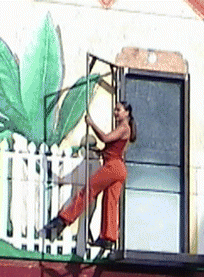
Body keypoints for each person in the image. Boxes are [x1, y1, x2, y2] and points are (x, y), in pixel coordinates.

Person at [41, 101, 137, 250]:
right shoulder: (124, 129)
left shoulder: (124, 128)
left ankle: (63, 220)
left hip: (113, 167)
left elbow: (105, 138)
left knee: (88, 191)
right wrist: (102, 152)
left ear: (127, 113)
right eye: (115, 110)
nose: (115, 113)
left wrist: (92, 124)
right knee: (110, 202)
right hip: (118, 168)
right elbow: (114, 148)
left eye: (118, 110)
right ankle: (108, 237)